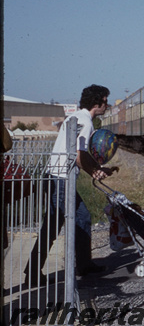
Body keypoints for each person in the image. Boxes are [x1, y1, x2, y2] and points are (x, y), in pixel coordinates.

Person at [24, 85, 115, 284]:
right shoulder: (85, 122)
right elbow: (79, 155)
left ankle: (38, 271)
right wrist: (94, 171)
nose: (107, 105)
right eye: (105, 101)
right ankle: (79, 267)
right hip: (61, 179)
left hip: (54, 176)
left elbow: (81, 153)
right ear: (96, 102)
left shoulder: (78, 118)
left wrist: (97, 168)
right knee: (70, 221)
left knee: (66, 222)